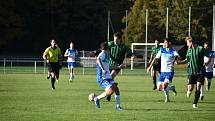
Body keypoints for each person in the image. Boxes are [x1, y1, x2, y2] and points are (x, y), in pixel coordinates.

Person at [178, 36, 210, 109]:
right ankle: (188, 90)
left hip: (200, 72)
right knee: (190, 88)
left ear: (191, 42)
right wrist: (179, 62)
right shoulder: (189, 50)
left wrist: (207, 62)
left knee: (198, 87)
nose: (186, 45)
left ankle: (195, 103)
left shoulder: (200, 49)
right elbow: (187, 60)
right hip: (191, 72)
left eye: (187, 43)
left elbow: (208, 56)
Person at [147, 38, 178, 103]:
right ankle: (172, 88)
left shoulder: (173, 51)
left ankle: (167, 99)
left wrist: (176, 59)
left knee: (164, 86)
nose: (165, 44)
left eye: (166, 42)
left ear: (170, 43)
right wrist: (150, 66)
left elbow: (177, 56)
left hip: (169, 71)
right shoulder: (162, 50)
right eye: (164, 43)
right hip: (163, 72)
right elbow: (155, 58)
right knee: (159, 88)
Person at [93, 42, 122, 111]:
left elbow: (108, 66)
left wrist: (118, 67)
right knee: (111, 90)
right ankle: (97, 98)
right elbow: (98, 59)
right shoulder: (103, 52)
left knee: (116, 88)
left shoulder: (107, 54)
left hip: (108, 77)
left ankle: (118, 107)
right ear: (108, 48)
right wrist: (103, 69)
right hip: (102, 77)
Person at [106, 32, 135, 101]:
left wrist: (132, 56)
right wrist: (96, 52)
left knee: (111, 76)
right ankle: (112, 89)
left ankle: (109, 93)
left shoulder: (123, 46)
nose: (115, 41)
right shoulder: (111, 44)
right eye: (114, 39)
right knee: (108, 80)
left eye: (116, 39)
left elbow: (131, 53)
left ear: (120, 39)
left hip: (118, 66)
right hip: (110, 65)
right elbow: (103, 47)